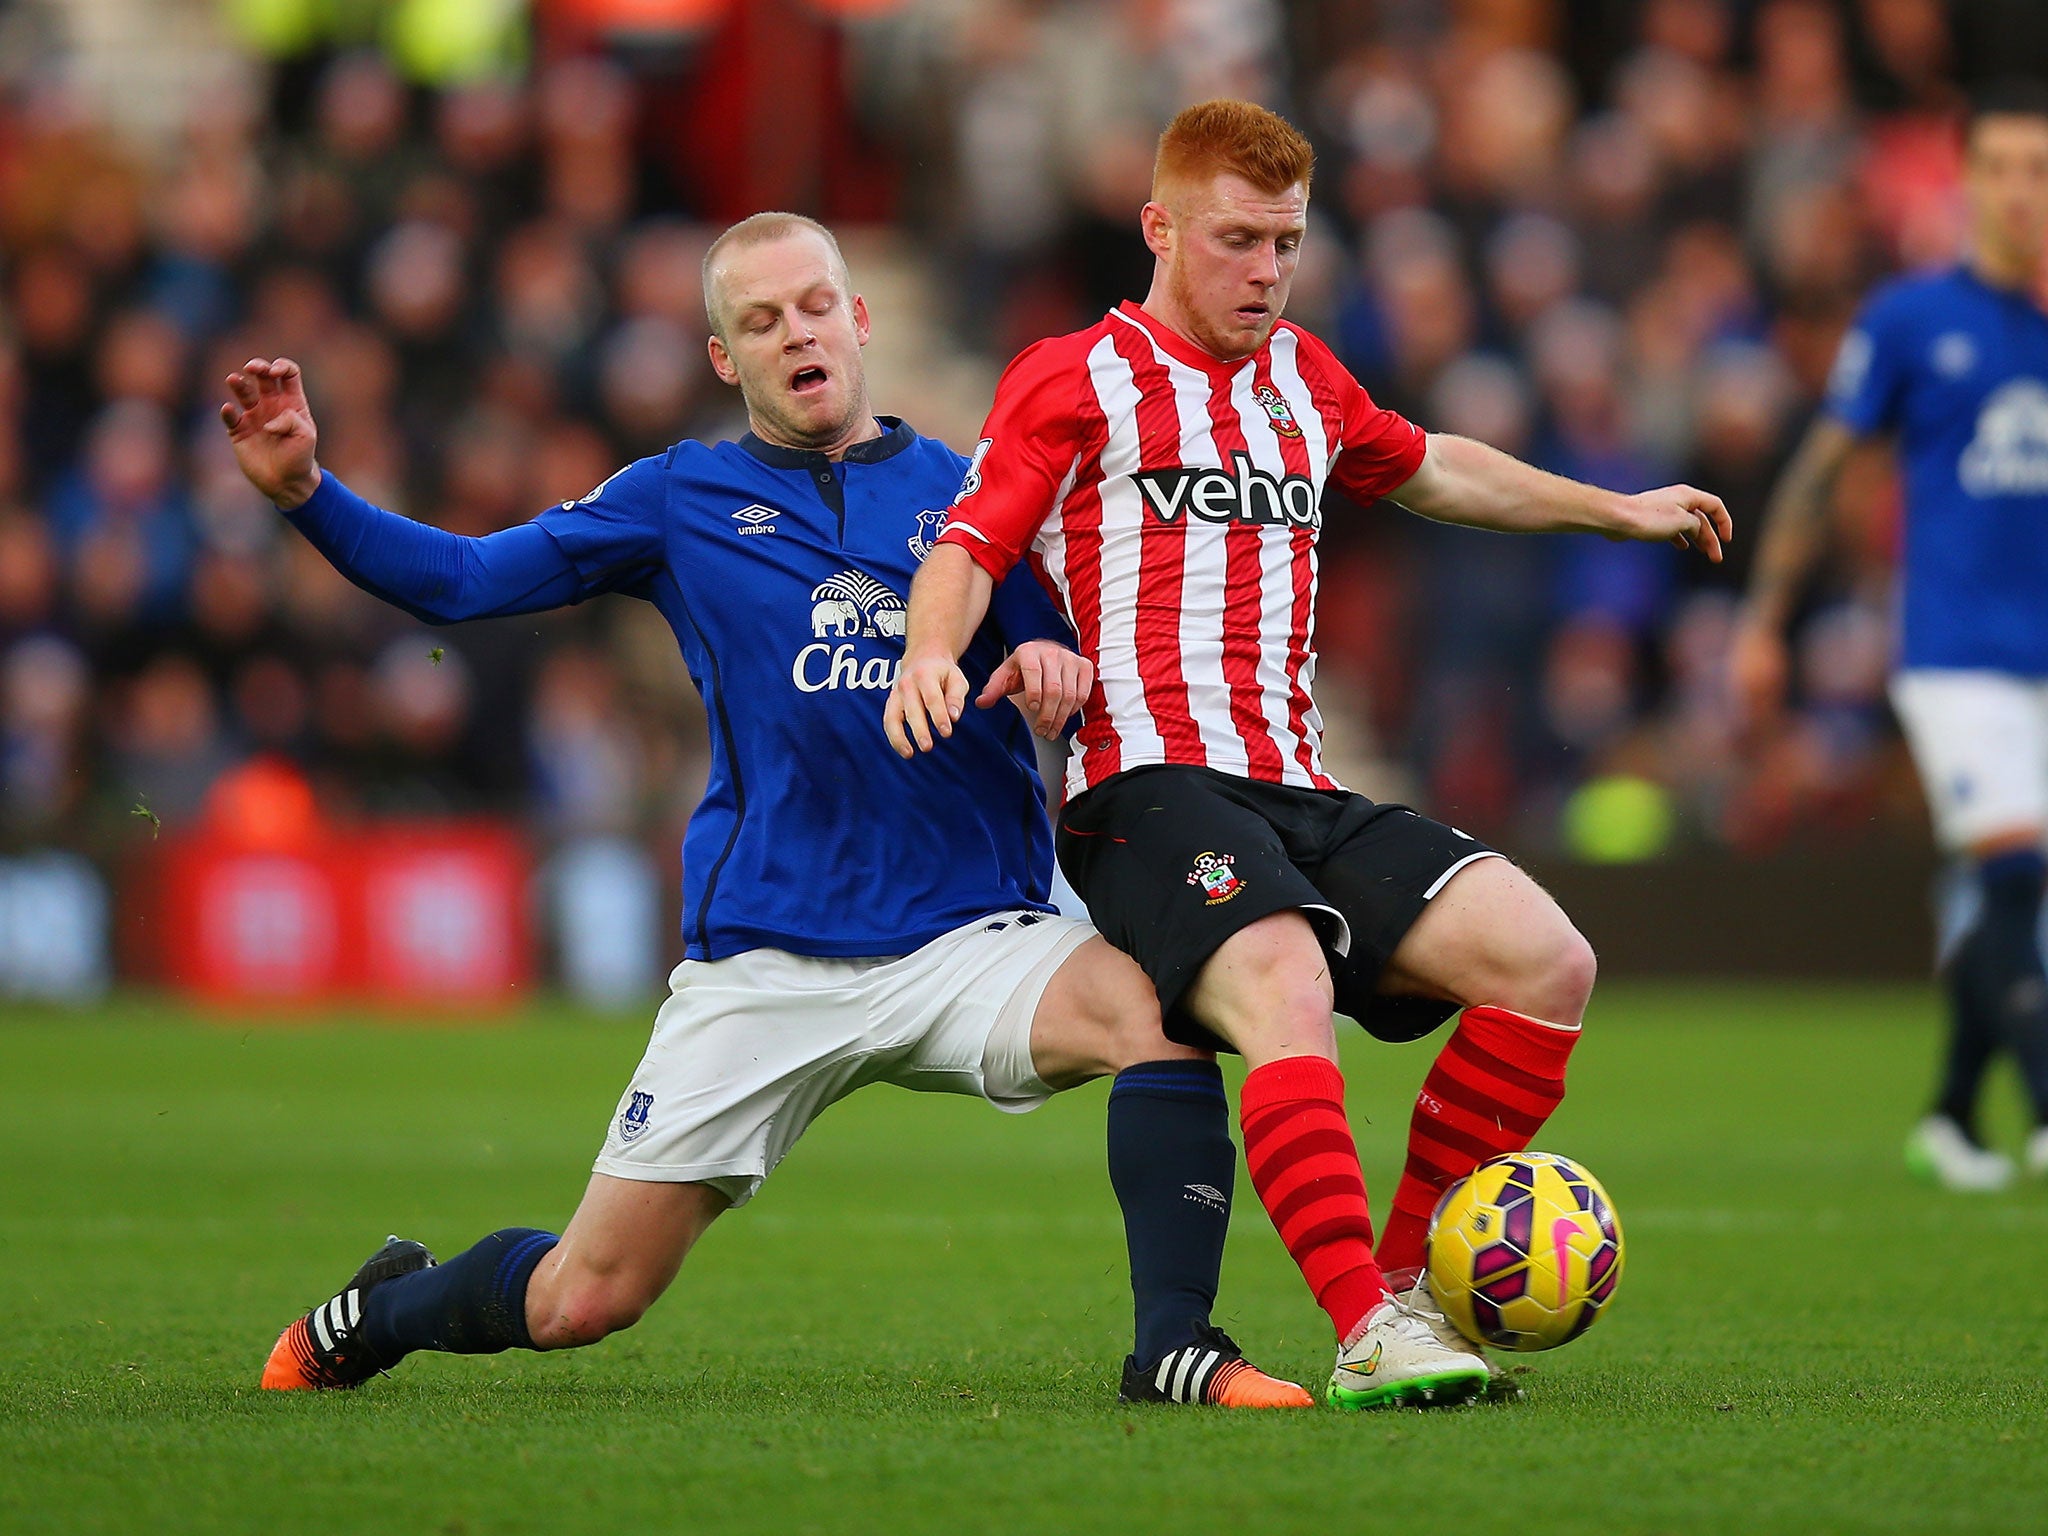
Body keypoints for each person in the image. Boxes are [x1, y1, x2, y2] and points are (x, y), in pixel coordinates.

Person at [234, 212, 1311, 1409]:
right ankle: (381, 1308)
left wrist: (1052, 667)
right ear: (722, 358)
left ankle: (1172, 1346)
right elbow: (465, 579)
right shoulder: (676, 498)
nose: (792, 332)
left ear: (857, 321)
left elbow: (1050, 639)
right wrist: (307, 496)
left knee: (1160, 1011)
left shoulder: (972, 487)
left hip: (966, 938)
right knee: (580, 1299)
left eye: (811, 306)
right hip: (767, 960)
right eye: (758, 320)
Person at [887, 100, 1729, 1410]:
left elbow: (1434, 464)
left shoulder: (1306, 378)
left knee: (1549, 960)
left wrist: (1613, 510)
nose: (1267, 271)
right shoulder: (1075, 378)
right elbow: (968, 544)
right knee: (1281, 977)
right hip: (1144, 793)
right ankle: (1362, 1329)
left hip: (1303, 791)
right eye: (1237, 241)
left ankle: (1398, 1293)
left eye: (1287, 241)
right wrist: (934, 655)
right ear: (1161, 230)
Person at [1730, 83, 2048, 1192]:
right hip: (1955, 652)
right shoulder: (1911, 320)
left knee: (2009, 893)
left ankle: (1952, 1116)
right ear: (1964, 181)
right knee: (2014, 879)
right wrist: (1763, 623)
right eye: (2001, 167)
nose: (2021, 192)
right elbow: (1820, 476)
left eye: (2038, 171)